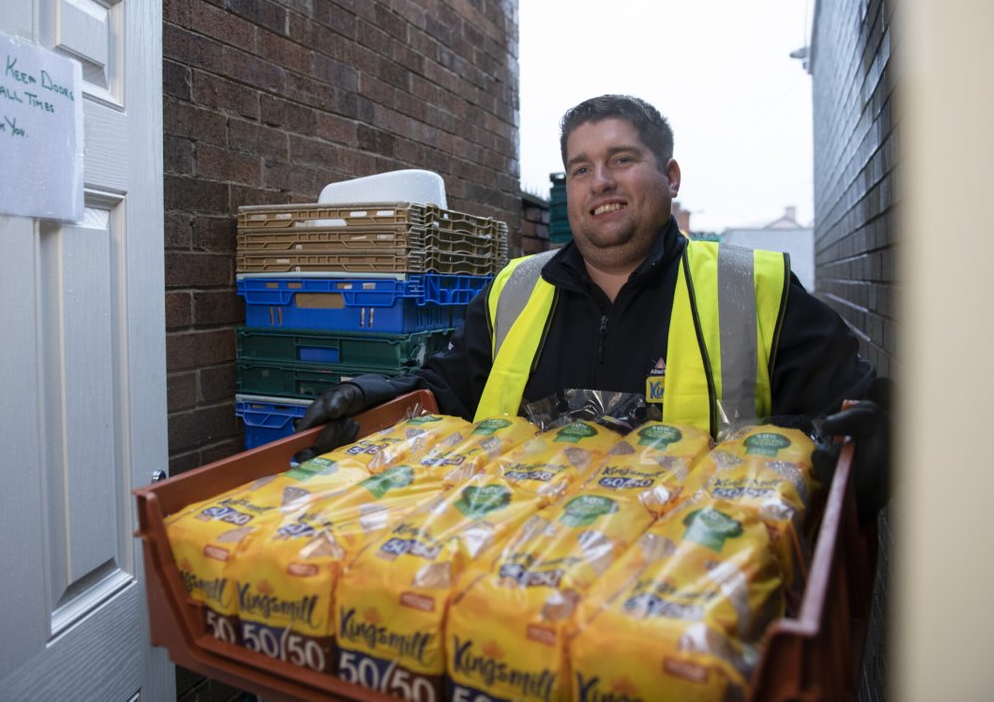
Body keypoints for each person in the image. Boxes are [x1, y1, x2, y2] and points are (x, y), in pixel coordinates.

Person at [295, 94, 890, 523]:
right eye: (581, 169)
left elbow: (855, 412)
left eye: (622, 160)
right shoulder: (516, 289)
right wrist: (377, 393)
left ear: (671, 176)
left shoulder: (750, 288)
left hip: (684, 600)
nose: (599, 181)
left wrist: (866, 445)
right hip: (514, 577)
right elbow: (448, 393)